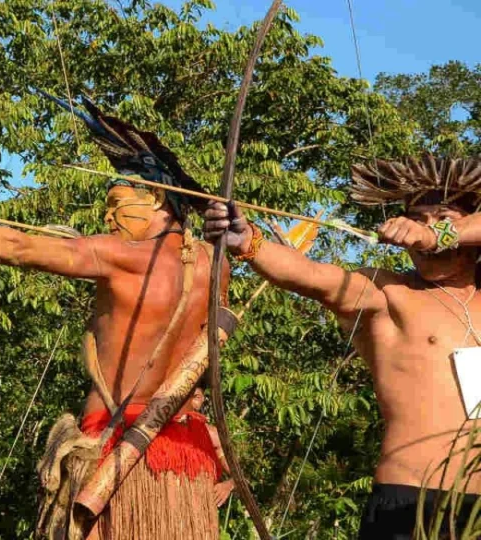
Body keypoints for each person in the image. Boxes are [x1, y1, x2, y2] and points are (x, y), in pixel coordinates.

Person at [0, 96, 233, 539]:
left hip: (118, 448)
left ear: (157, 200)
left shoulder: (117, 256)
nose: (108, 218)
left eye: (117, 202)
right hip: (187, 457)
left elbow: (17, 247)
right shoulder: (214, 262)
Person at [203, 154, 481, 539]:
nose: (424, 230)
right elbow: (313, 276)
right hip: (412, 498)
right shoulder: (389, 293)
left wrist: (439, 236)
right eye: (416, 220)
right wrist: (246, 240)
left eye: (443, 217)